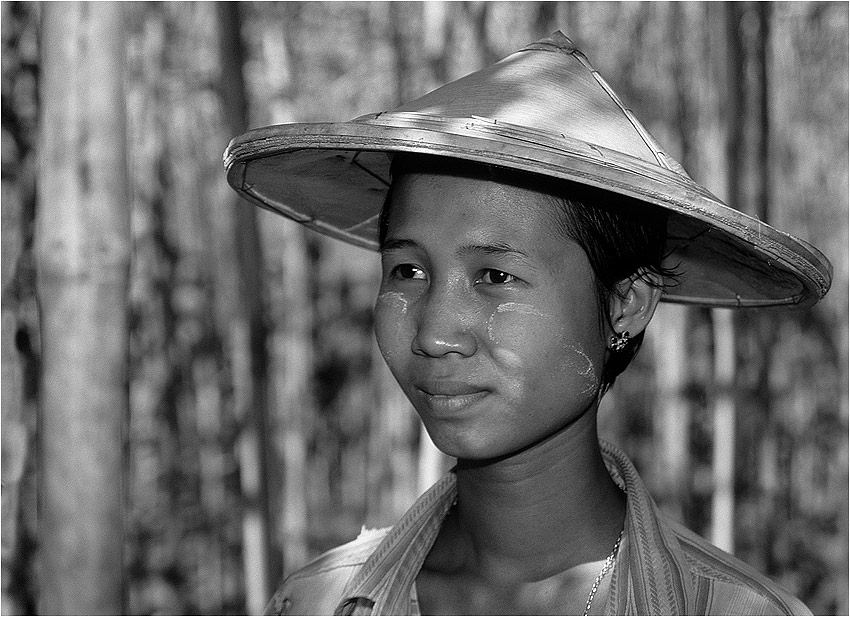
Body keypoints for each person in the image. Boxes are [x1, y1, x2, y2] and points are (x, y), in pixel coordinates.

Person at [224, 32, 831, 616]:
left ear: (627, 302)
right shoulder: (313, 603)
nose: (435, 333)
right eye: (407, 270)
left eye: (494, 277)